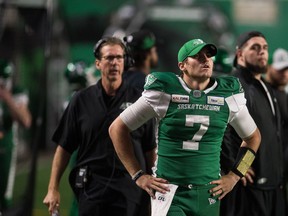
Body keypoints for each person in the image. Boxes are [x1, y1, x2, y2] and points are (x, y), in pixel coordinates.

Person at [109, 38, 261, 216]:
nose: (205, 60)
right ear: (183, 65)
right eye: (197, 56)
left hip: (208, 192)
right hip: (170, 191)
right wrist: (138, 175)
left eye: (208, 55)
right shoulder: (165, 91)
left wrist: (235, 175)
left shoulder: (228, 95)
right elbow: (117, 128)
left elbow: (253, 138)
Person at [43, 36, 156, 216]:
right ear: (98, 64)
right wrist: (53, 188)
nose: (115, 63)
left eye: (119, 58)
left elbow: (151, 149)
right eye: (109, 58)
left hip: (131, 189)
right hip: (92, 189)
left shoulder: (140, 100)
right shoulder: (81, 100)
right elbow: (64, 147)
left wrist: (155, 189)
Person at [220, 31, 286, 216]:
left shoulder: (265, 86)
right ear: (240, 53)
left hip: (274, 187)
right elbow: (222, 131)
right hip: (250, 189)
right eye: (255, 48)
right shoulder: (234, 85)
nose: (262, 52)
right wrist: (238, 167)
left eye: (265, 48)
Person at [0, 59, 32, 212]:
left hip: (5, 149)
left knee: (4, 196)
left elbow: (26, 120)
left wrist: (7, 98)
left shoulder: (16, 92)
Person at [265, 48, 288, 211]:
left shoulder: (284, 95)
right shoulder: (261, 92)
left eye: (287, 70)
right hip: (264, 170)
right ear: (268, 68)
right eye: (280, 69)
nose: (284, 73)